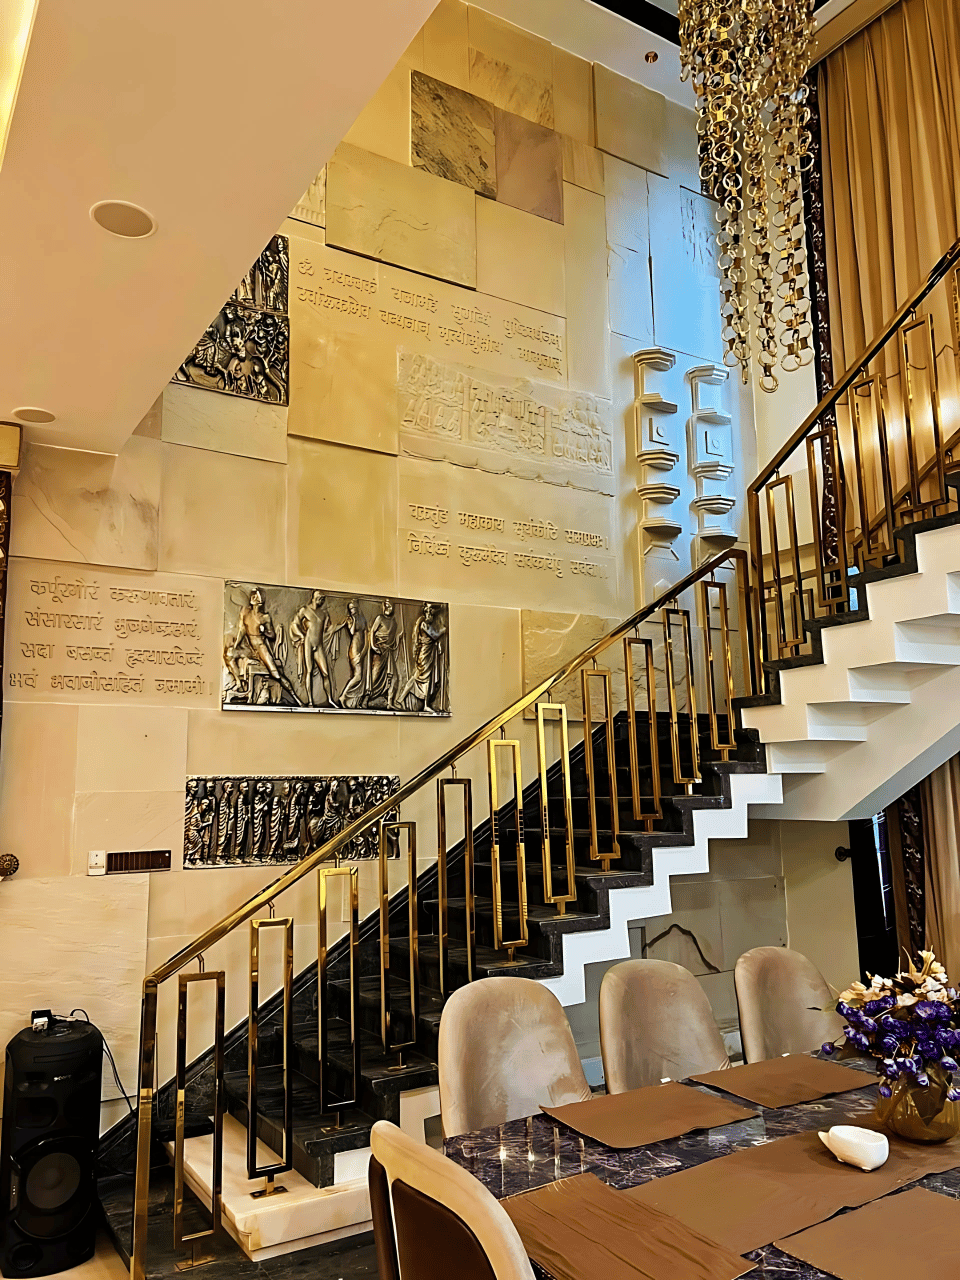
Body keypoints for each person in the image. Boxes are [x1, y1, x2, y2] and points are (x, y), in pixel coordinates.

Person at [224, 587, 300, 705]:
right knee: (229, 654)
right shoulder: (245, 612)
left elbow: (272, 635)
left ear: (261, 600)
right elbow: (242, 630)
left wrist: (264, 631)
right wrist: (236, 645)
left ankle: (296, 698)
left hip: (260, 648)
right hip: (248, 647)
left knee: (276, 675)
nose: (254, 597)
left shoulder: (265, 617)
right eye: (253, 595)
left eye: (257, 595)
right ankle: (239, 683)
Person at [289, 590, 340, 707]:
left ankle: (330, 699)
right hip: (308, 643)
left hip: (319, 645)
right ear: (313, 598)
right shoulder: (305, 610)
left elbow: (328, 629)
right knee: (309, 671)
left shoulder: (324, 613)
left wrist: (341, 626)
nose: (321, 601)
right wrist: (301, 635)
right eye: (319, 598)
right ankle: (311, 701)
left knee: (325, 673)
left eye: (322, 599)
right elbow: (294, 624)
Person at [396, 603, 447, 714]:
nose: (430, 616)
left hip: (428, 654)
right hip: (424, 655)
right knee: (423, 679)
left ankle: (400, 699)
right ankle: (425, 705)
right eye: (429, 613)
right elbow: (434, 635)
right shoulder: (423, 624)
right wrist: (443, 630)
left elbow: (433, 638)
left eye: (431, 613)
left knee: (416, 678)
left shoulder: (427, 624)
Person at [333, 599, 368, 709]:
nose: (352, 610)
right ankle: (343, 696)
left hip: (362, 649)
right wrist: (354, 619)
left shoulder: (363, 619)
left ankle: (357, 700)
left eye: (353, 608)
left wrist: (364, 652)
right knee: (358, 676)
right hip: (354, 649)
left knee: (361, 676)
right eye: (350, 609)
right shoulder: (350, 619)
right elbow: (352, 632)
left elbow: (366, 636)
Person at [367, 599, 402, 709]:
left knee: (395, 678)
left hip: (388, 652)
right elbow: (372, 631)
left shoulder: (394, 621)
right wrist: (373, 646)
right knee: (375, 676)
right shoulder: (380, 618)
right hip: (379, 651)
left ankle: (390, 703)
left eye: (389, 606)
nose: (387, 608)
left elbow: (392, 639)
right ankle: (366, 699)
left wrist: (398, 637)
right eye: (386, 606)